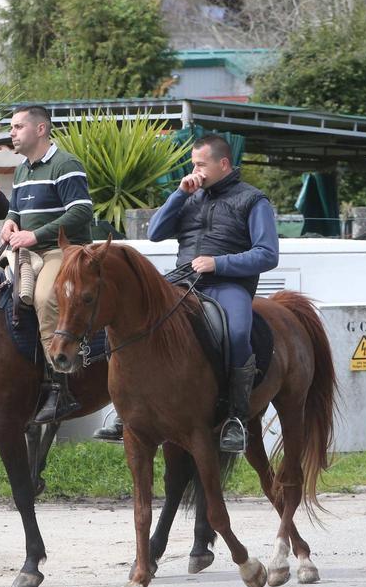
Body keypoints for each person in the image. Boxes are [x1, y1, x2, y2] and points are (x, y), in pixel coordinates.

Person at [95, 133, 279, 449]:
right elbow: (154, 233)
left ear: (222, 164)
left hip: (227, 285)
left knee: (236, 334)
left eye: (200, 164)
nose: (194, 171)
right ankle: (128, 411)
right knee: (133, 321)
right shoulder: (190, 196)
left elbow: (267, 254)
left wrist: (218, 263)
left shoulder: (253, 200)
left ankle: (236, 416)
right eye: (193, 164)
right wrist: (178, 194)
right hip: (182, 281)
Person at [0, 105, 93, 424]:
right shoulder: (22, 170)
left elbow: (81, 212)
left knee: (43, 298)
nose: (11, 132)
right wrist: (10, 224)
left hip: (63, 251)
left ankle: (59, 386)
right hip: (29, 250)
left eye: (17, 127)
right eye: (11, 127)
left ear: (40, 130)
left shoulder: (66, 164)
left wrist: (34, 234)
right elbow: (15, 210)